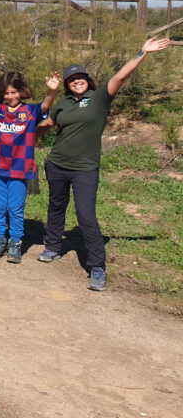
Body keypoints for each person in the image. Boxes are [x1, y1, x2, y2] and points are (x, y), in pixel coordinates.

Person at [38, 37, 170, 291]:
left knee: (86, 214)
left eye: (81, 77)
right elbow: (48, 125)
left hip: (85, 168)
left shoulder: (99, 97)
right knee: (56, 205)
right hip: (57, 164)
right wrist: (24, 133)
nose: (77, 80)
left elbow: (120, 76)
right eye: (72, 78)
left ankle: (97, 266)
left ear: (87, 80)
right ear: (67, 83)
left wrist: (142, 52)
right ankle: (52, 246)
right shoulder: (63, 102)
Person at [0, 66, 59, 263]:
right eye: (6, 93)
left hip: (20, 168)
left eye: (14, 92)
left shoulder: (30, 111)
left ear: (21, 92)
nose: (10, 96)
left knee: (16, 209)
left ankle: (15, 244)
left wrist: (52, 90)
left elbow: (45, 106)